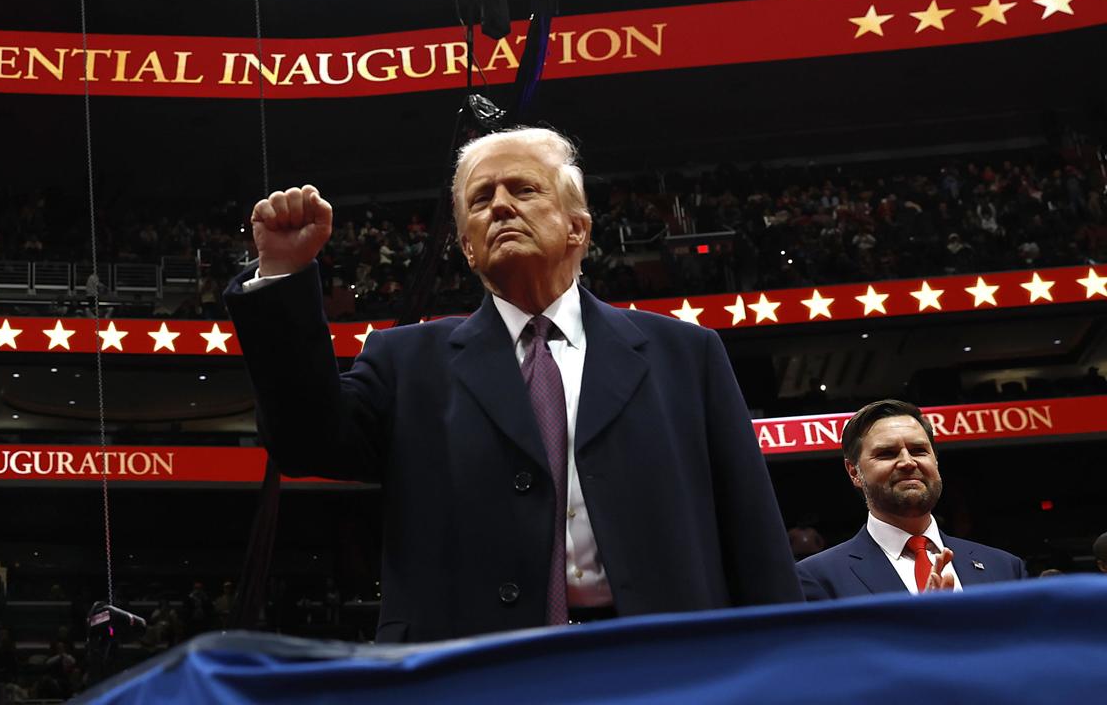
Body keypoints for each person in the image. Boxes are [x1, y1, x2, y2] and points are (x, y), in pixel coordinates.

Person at [227, 126, 799, 642]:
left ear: (578, 227)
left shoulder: (685, 354)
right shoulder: (406, 361)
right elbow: (305, 443)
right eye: (481, 199)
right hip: (470, 668)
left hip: (665, 665)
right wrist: (283, 275)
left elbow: (751, 529)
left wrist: (785, 664)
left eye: (523, 190)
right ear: (468, 246)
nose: (500, 206)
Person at [797, 399, 1028, 599]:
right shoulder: (817, 579)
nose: (908, 462)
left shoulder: (1005, 568)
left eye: (919, 450)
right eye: (887, 453)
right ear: (854, 472)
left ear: (935, 461)